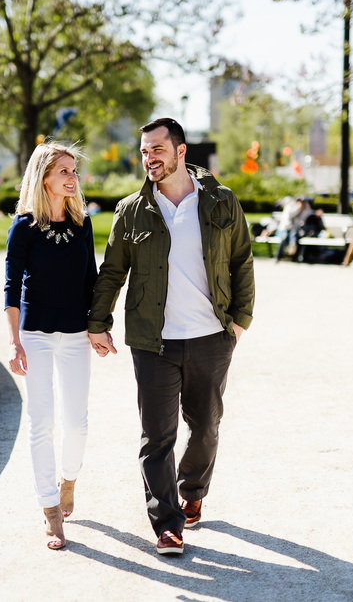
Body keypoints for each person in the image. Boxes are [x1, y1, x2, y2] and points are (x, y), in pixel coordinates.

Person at [88, 118, 255, 557]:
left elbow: (242, 261)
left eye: (158, 149)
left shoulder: (221, 201)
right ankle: (167, 523)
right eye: (144, 151)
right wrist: (98, 321)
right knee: (156, 437)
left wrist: (240, 321)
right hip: (153, 340)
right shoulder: (131, 210)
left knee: (206, 426)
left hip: (210, 336)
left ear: (181, 151)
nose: (149, 158)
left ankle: (193, 488)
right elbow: (112, 272)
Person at [4, 140, 98, 550]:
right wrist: (13, 343)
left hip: (77, 333)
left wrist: (100, 327)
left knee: (76, 423)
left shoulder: (83, 223)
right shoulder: (23, 227)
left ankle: (68, 482)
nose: (72, 177)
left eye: (74, 171)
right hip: (36, 335)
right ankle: (50, 512)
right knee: (41, 424)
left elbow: (91, 280)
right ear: (44, 176)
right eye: (64, 171)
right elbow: (10, 288)